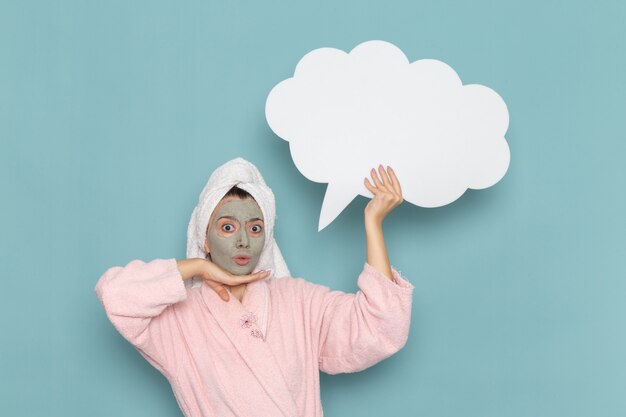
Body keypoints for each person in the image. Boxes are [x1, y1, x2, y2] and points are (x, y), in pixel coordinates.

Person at [95, 157, 414, 417]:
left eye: (255, 227)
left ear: (267, 237)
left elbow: (380, 326)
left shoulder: (299, 301)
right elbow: (116, 295)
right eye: (227, 227)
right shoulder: (181, 318)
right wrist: (198, 267)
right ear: (204, 238)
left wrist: (373, 223)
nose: (243, 240)